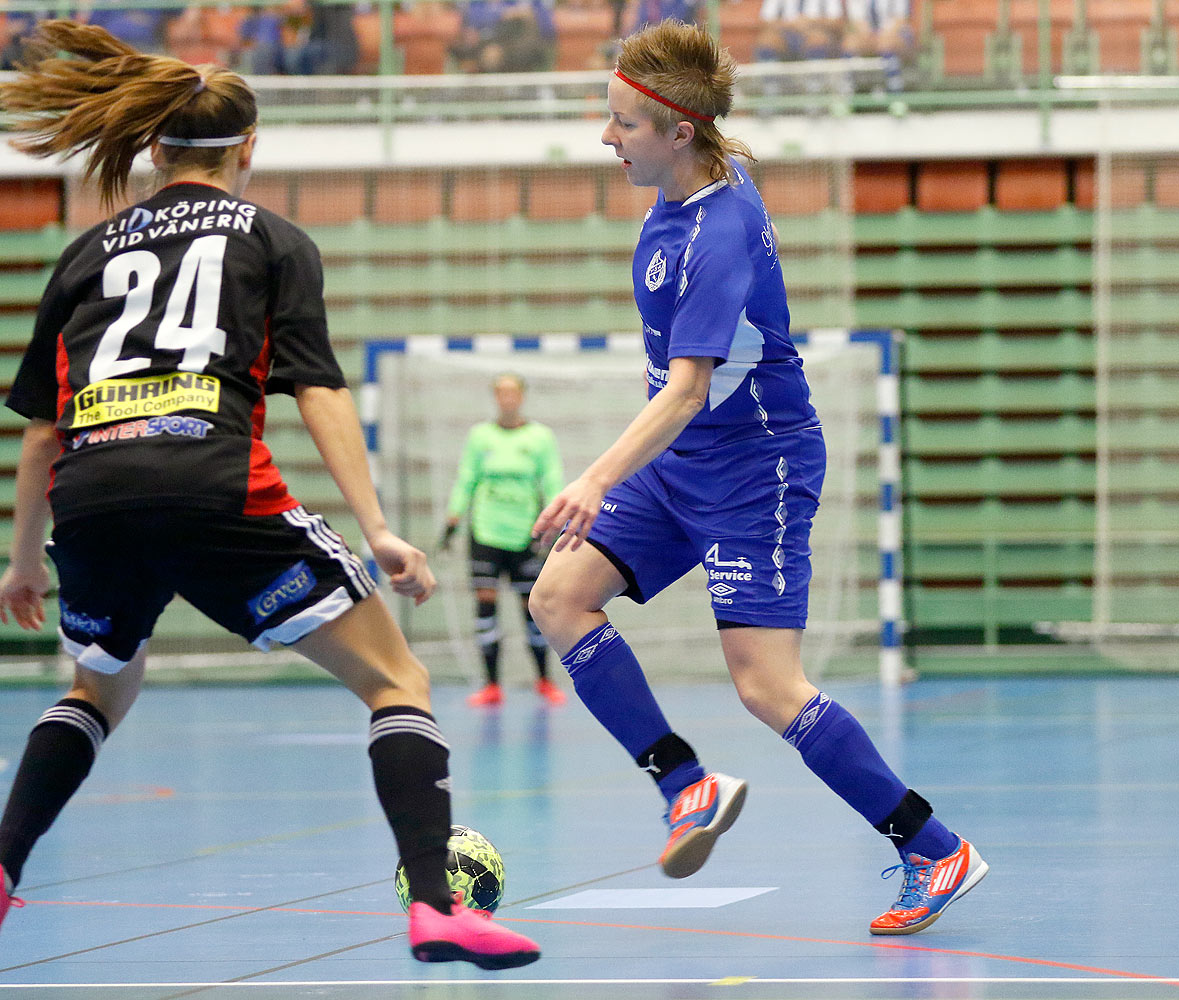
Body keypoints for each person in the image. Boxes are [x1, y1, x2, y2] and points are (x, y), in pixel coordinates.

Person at [0, 21, 539, 970]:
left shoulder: (85, 250)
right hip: (214, 485)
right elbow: (316, 389)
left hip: (91, 498)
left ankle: (3, 871)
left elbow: (43, 429)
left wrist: (20, 561)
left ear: (156, 147)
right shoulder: (273, 238)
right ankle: (437, 904)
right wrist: (378, 528)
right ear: (248, 149)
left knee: (95, 687)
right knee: (396, 680)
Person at [527, 19, 986, 936]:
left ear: (678, 133)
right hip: (679, 467)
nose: (606, 137)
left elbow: (690, 389)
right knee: (559, 598)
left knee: (768, 687)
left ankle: (934, 847)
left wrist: (593, 477)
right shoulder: (687, 192)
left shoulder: (720, 229)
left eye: (622, 122)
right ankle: (686, 785)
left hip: (754, 471)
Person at [442, 373, 567, 707]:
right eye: (501, 392)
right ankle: (491, 685)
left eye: (513, 392)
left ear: (522, 397)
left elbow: (551, 478)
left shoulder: (540, 437)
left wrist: (556, 520)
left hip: (525, 533)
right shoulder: (480, 436)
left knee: (533, 608)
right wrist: (452, 520)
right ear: (495, 397)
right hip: (486, 533)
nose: (507, 398)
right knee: (486, 605)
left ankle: (543, 680)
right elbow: (466, 478)